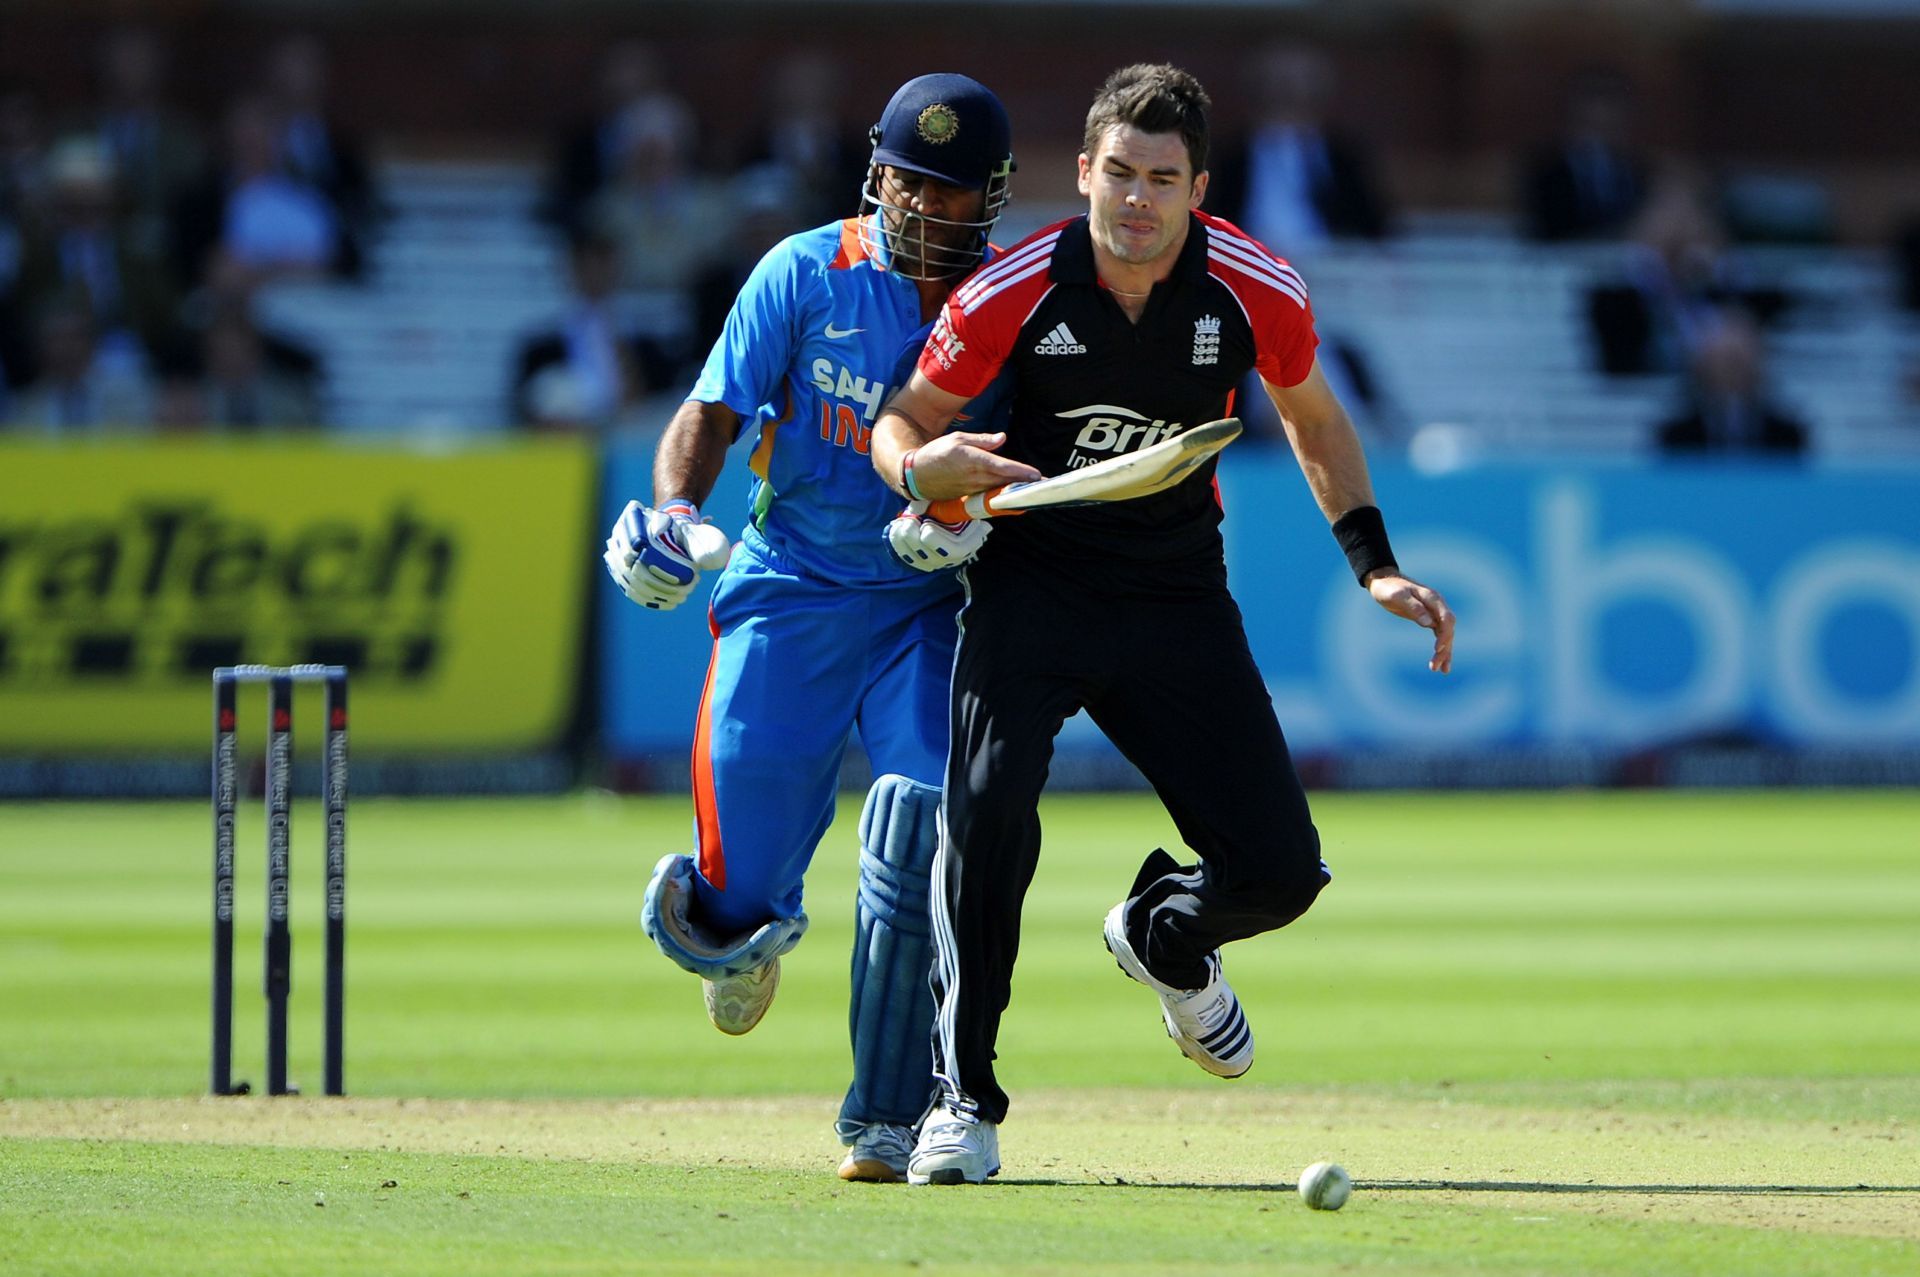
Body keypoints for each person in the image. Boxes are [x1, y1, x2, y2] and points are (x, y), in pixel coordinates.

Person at [870, 64, 1455, 1186]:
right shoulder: (1010, 289)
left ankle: (1165, 934)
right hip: (1031, 584)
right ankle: (961, 1101)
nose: (1137, 200)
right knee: (984, 823)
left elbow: (1315, 419)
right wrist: (918, 464)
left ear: (1199, 190)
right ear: (1084, 172)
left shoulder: (1253, 285)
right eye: (1120, 174)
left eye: (1164, 180)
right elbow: (906, 421)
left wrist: (1373, 566)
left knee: (1281, 871)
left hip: (1174, 590)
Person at [600, 74, 1015, 1183]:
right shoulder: (801, 270)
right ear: (877, 175)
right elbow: (713, 410)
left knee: (917, 817)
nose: (931, 208)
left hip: (929, 607)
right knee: (732, 896)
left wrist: (974, 527)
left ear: (993, 198)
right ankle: (743, 933)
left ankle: (886, 1112)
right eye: (913, 182)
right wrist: (675, 513)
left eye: (957, 190)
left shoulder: (1012, 301)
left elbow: (1034, 469)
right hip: (790, 586)